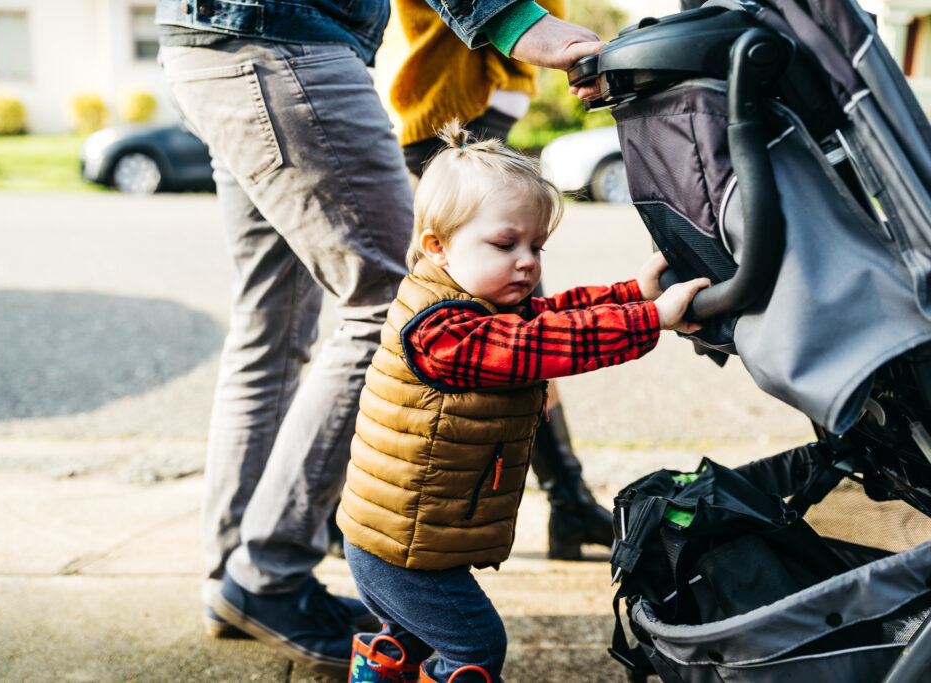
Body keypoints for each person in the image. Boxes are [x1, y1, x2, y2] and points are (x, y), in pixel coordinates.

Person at [154, 0, 606, 677]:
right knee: (396, 307)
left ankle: (239, 576)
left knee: (270, 325)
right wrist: (514, 23)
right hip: (283, 41)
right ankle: (267, 572)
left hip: (212, 43)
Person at [337, 122, 710, 683]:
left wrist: (635, 294)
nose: (527, 261)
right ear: (438, 246)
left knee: (410, 645)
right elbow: (543, 344)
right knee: (476, 646)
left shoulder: (469, 302)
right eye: (505, 244)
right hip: (398, 549)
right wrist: (651, 320)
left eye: (536, 246)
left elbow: (552, 313)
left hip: (400, 537)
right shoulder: (442, 334)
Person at [385, 0, 617, 560]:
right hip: (448, 122)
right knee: (441, 335)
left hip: (488, 117)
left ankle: (568, 502)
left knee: (514, 328)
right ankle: (354, 510)